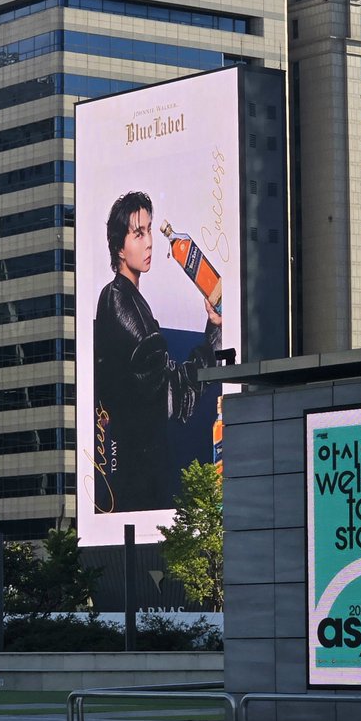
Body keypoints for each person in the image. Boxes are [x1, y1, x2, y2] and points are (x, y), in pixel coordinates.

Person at [93, 191, 221, 514]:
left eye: (149, 230)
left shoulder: (123, 300)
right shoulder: (121, 303)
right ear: (120, 249)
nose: (149, 242)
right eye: (139, 234)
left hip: (130, 481)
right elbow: (177, 397)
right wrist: (214, 333)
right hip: (138, 485)